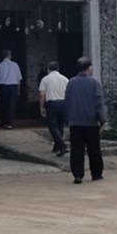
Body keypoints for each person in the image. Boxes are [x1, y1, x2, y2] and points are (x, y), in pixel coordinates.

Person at [64, 56, 104, 184]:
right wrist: (101, 119)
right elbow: (99, 102)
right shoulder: (94, 83)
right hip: (91, 122)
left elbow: (67, 101)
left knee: (76, 149)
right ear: (89, 68)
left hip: (75, 122)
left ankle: (78, 175)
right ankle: (96, 174)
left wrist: (67, 118)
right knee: (94, 149)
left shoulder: (71, 83)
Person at [38, 61, 69, 156]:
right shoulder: (65, 79)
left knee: (53, 126)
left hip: (52, 104)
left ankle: (62, 146)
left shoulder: (45, 79)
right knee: (60, 126)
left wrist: (41, 107)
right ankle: (57, 147)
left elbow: (42, 94)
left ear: (48, 69)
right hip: (63, 103)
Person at [0, 49, 22, 129]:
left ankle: (4, 122)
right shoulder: (15, 65)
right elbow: (19, 79)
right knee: (12, 105)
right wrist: (18, 89)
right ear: (10, 55)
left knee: (4, 105)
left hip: (4, 86)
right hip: (13, 86)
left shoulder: (0, 66)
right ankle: (10, 123)